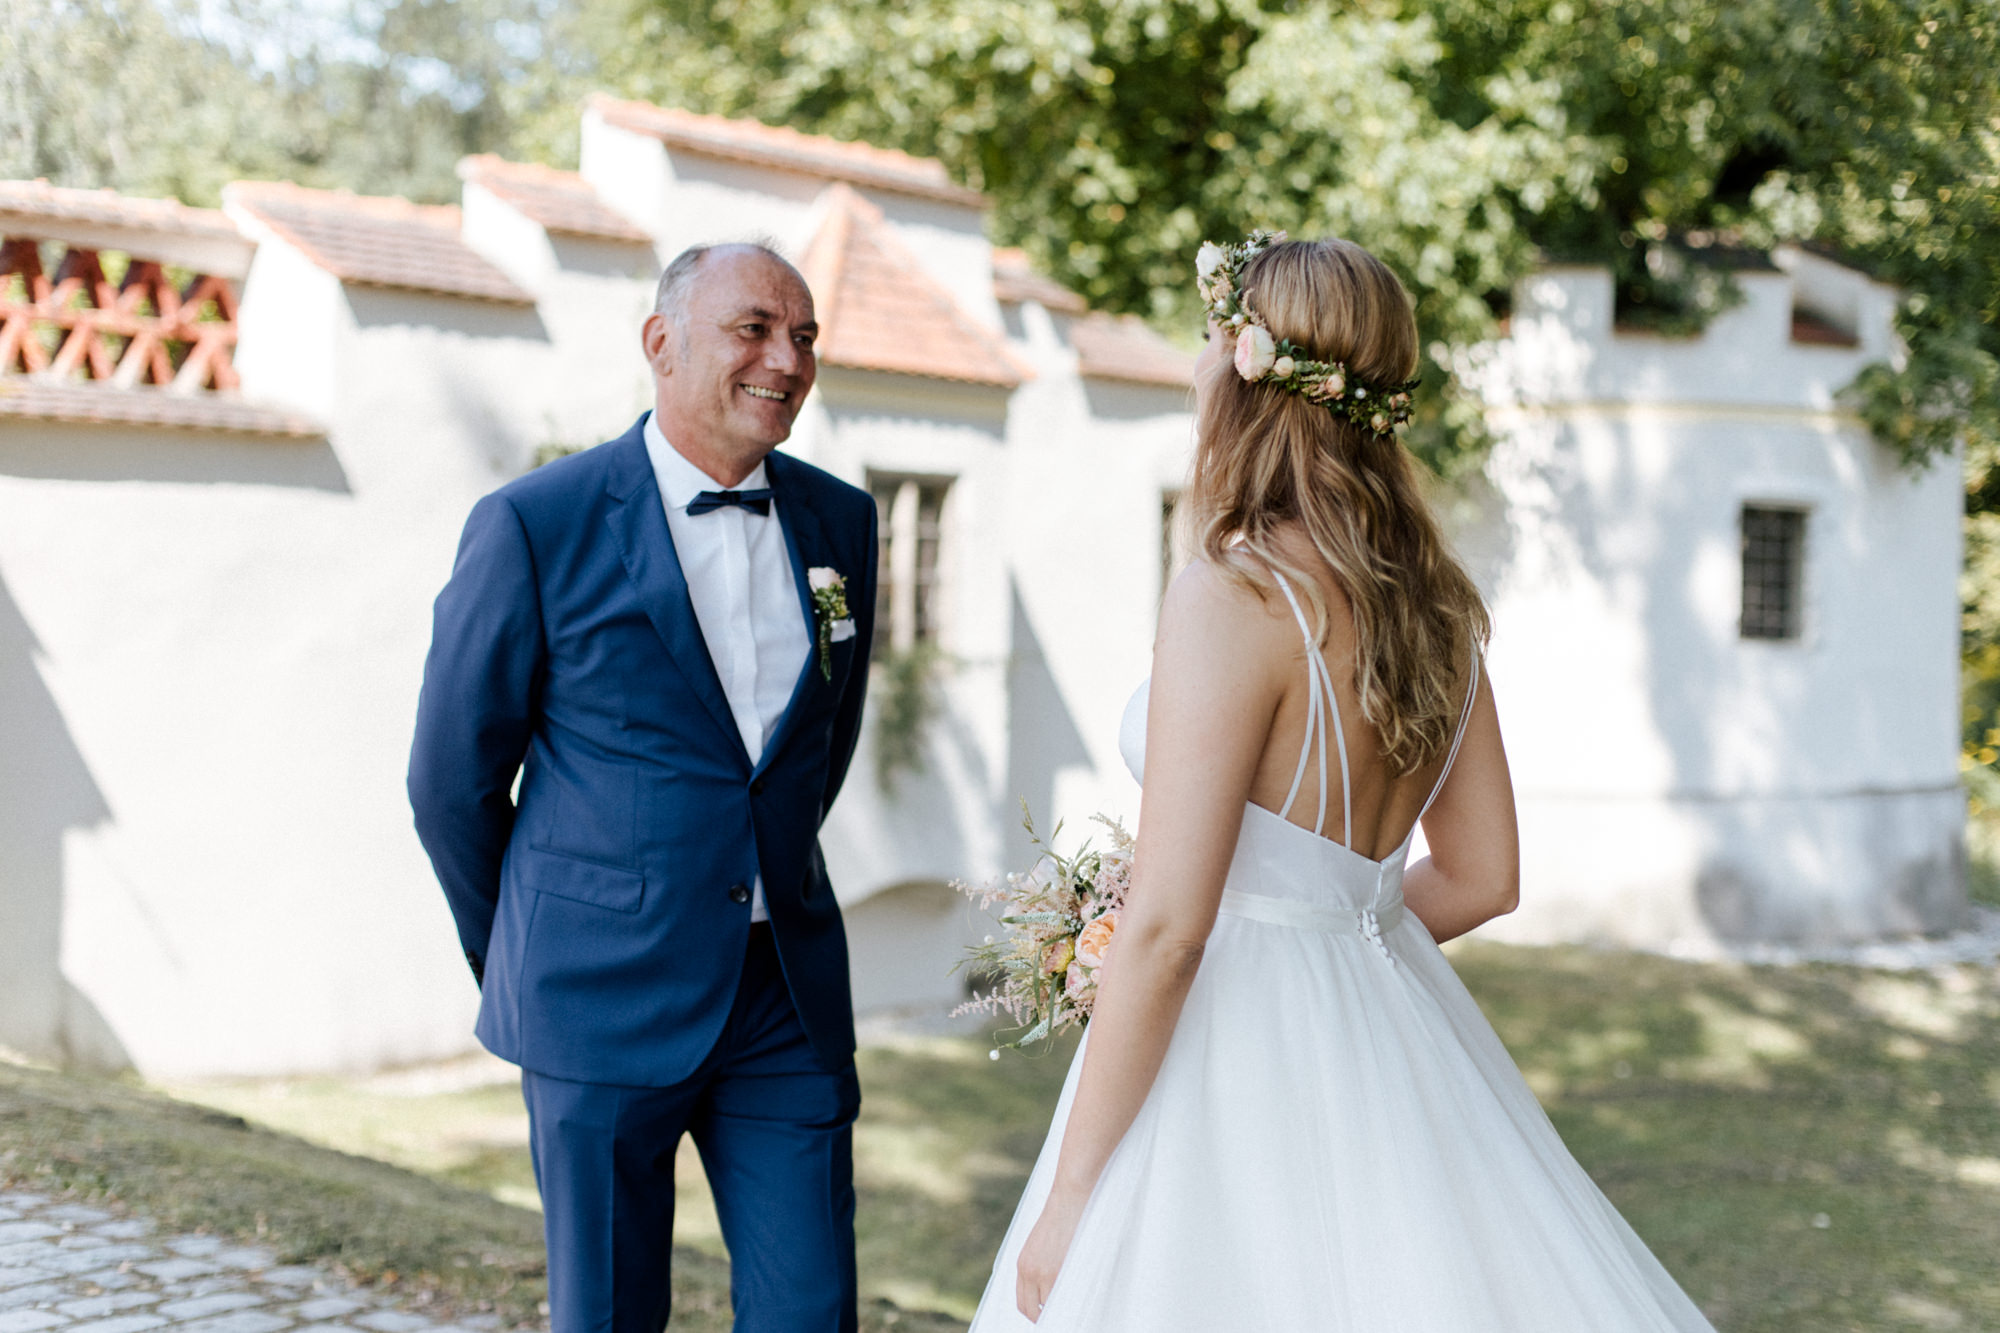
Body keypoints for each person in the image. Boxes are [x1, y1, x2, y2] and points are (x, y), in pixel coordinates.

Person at [968, 233, 1718, 1331]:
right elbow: (1484, 876)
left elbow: (1172, 928)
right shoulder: (1437, 609)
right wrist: (1331, 943)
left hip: (1225, 1055)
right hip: (1385, 1028)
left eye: (1206, 344)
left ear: (1242, 365)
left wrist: (1075, 1193)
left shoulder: (1232, 593)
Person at [408, 242, 878, 1333]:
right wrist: (529, 949)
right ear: (660, 343)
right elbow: (450, 781)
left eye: (803, 336)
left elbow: (816, 748)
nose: (787, 358)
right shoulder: (536, 523)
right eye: (754, 327)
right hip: (595, 995)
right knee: (610, 1314)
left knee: (811, 1308)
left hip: (783, 998)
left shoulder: (841, 523)